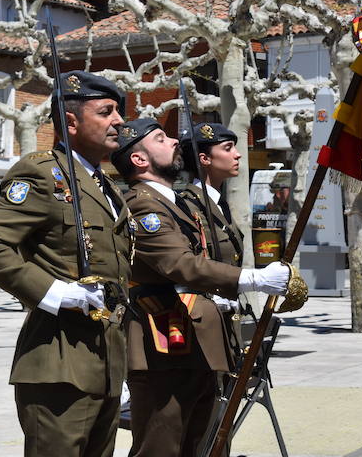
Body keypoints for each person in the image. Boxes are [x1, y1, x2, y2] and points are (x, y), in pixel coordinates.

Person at [0, 71, 132, 457]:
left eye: (118, 112)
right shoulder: (41, 173)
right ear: (70, 122)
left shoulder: (105, 186)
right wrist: (55, 292)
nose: (119, 122)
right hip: (58, 363)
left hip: (105, 362)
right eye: (106, 112)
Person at [111, 119, 289, 457]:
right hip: (162, 338)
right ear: (138, 159)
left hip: (194, 336)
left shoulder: (173, 202)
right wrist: (254, 278)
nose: (175, 140)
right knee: (162, 444)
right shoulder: (143, 203)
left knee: (200, 442)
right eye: (161, 138)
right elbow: (180, 264)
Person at [179, 122, 244, 266]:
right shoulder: (187, 206)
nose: (238, 154)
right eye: (228, 148)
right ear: (205, 159)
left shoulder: (220, 203)